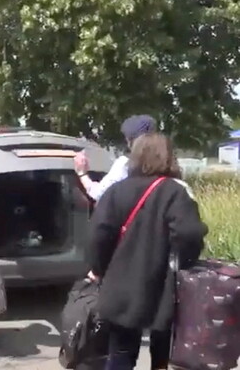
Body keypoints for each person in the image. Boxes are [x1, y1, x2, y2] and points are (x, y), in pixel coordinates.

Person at [85, 133, 206, 370]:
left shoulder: (117, 191)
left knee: (120, 349)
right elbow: (190, 234)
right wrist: (186, 262)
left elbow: (98, 235)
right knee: (163, 348)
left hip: (122, 286)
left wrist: (99, 269)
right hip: (164, 287)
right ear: (169, 157)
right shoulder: (175, 192)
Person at [74, 115, 157, 201]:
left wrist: (82, 173)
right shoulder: (165, 165)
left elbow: (99, 194)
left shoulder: (125, 165)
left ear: (130, 141)